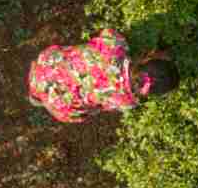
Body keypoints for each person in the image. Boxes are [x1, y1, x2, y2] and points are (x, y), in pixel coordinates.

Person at [27, 30, 170, 122]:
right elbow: (101, 107)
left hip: (46, 65)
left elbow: (108, 32)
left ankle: (38, 84)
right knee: (85, 109)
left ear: (146, 59)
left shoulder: (114, 47)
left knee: (67, 61)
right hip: (58, 106)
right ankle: (42, 97)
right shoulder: (126, 102)